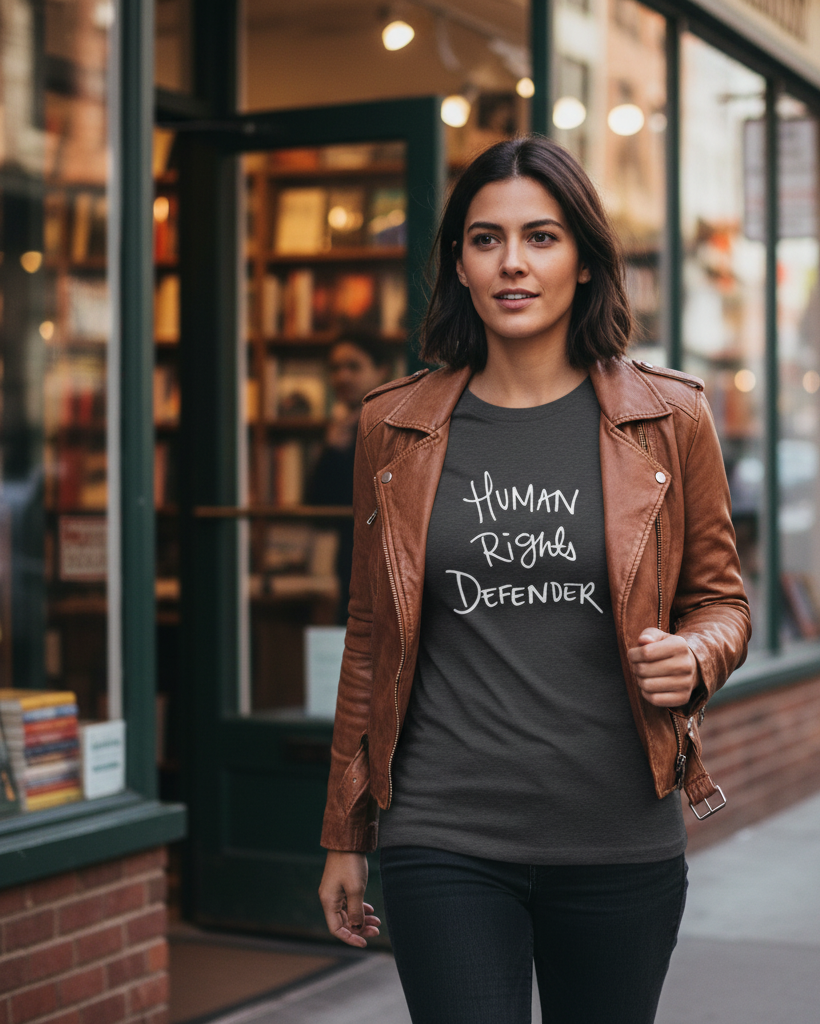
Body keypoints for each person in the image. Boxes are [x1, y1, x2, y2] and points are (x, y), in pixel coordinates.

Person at [318, 136, 751, 1024]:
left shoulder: (670, 419)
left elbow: (723, 600)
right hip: (444, 833)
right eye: (485, 240)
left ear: (586, 262)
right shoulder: (392, 428)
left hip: (618, 834)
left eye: (542, 237)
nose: (512, 262)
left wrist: (698, 654)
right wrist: (345, 833)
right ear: (459, 265)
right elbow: (371, 634)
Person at [306, 332, 391, 622]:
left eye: (353, 367)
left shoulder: (394, 423)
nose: (342, 377)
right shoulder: (341, 429)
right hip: (352, 557)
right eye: (335, 368)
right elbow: (318, 509)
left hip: (390, 557)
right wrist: (332, 449)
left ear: (381, 371)